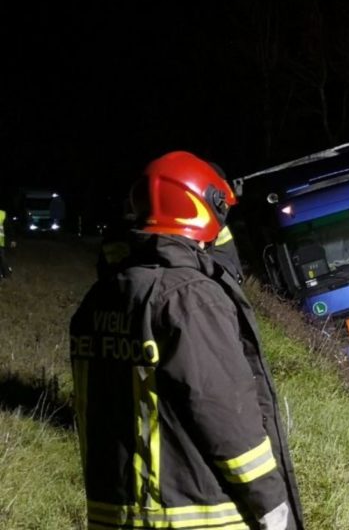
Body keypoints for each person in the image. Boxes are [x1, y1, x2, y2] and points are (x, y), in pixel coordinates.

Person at [69, 151, 304, 530]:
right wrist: (274, 509)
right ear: (199, 205)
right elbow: (228, 420)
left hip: (116, 513)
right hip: (199, 516)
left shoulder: (100, 297)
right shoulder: (188, 298)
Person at [0, 207, 11, 280]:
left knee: (2, 259)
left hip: (0, 242)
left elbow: (8, 227)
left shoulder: (2, 214)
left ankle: (6, 273)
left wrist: (12, 239)